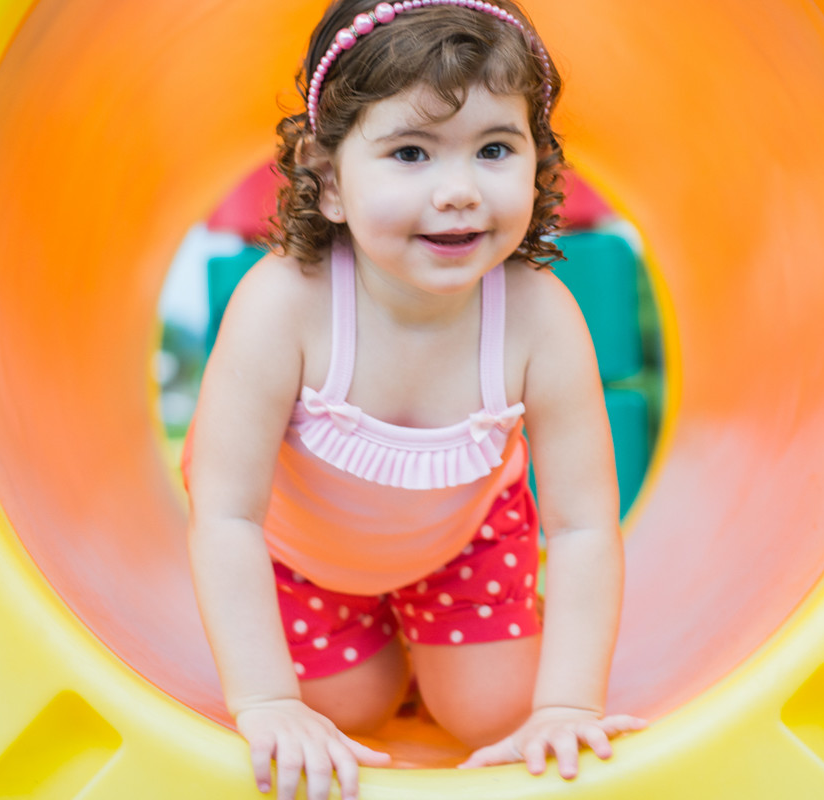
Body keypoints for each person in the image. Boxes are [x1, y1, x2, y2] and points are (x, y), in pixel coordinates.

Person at [183, 1, 644, 798]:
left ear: (537, 163)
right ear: (329, 182)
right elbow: (225, 514)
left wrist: (567, 704)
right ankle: (377, 654)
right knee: (341, 710)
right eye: (411, 152)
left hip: (463, 541)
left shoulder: (537, 315)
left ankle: (431, 644)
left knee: (496, 716)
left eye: (494, 148)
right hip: (304, 559)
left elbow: (580, 524)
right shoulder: (285, 305)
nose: (459, 190)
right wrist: (264, 701)